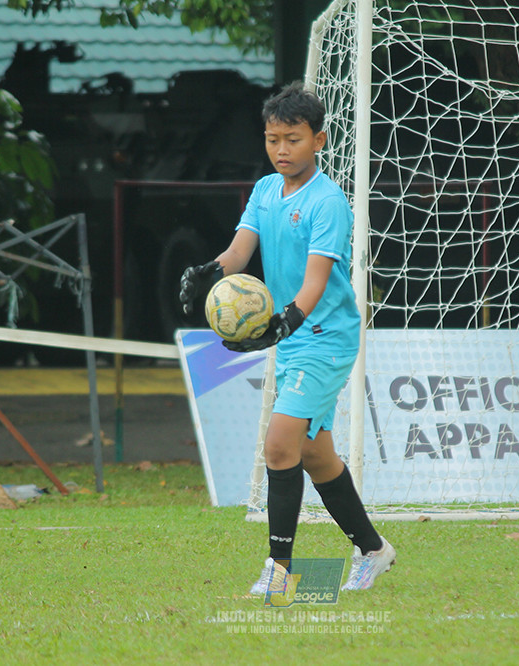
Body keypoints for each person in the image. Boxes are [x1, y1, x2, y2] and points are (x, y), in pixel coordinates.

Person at [178, 82, 395, 593]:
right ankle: (375, 550)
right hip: (295, 336)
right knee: (316, 455)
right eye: (272, 138)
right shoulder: (264, 191)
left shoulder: (329, 202)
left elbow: (316, 282)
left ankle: (279, 572)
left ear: (318, 140)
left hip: (325, 337)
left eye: (293, 139)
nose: (281, 149)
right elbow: (239, 251)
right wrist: (208, 270)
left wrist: (285, 321)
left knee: (278, 447)